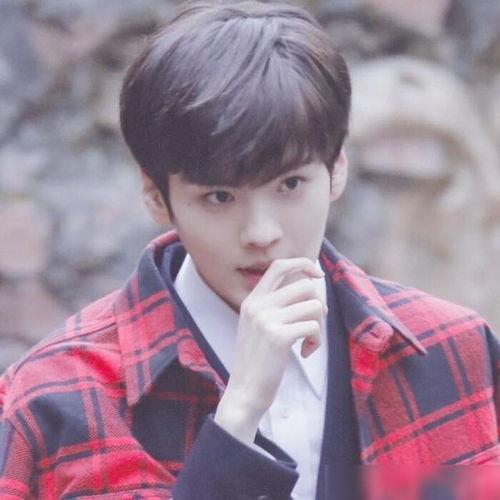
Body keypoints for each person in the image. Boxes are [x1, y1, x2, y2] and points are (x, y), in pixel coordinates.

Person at [1, 1, 499, 499]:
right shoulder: (56, 398)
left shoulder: (454, 351)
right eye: (220, 197)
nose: (261, 232)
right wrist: (237, 418)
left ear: (337, 170)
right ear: (155, 195)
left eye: (290, 185)